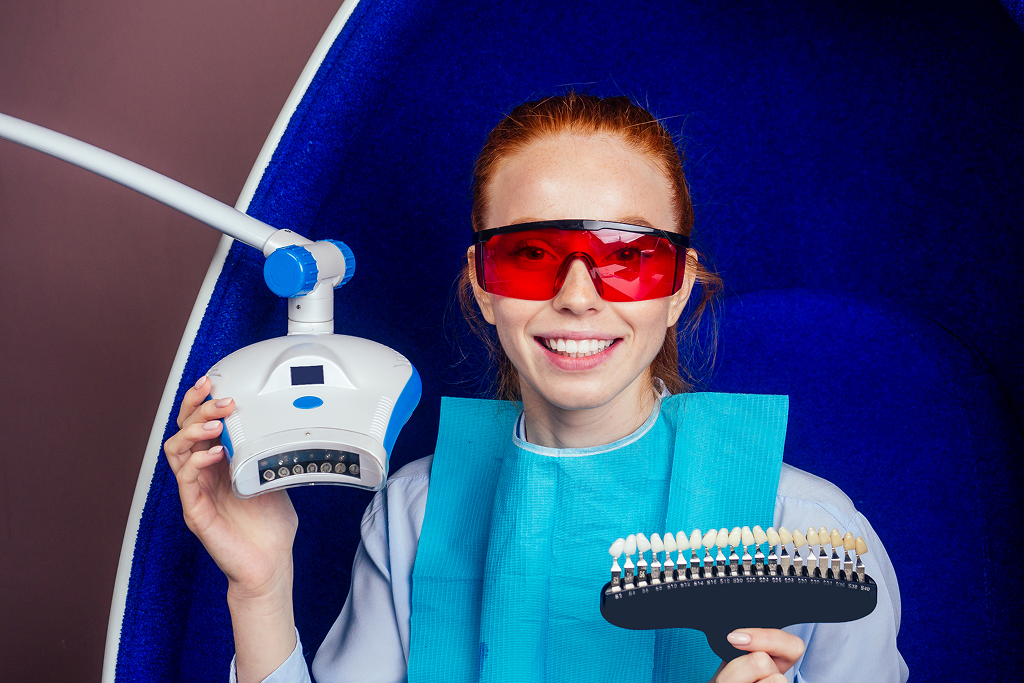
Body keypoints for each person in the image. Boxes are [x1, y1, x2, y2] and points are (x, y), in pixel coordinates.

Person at [164, 93, 907, 683]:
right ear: (483, 287)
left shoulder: (804, 525)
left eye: (628, 256)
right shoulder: (415, 518)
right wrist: (260, 586)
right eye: (529, 254)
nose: (578, 295)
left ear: (677, 289)